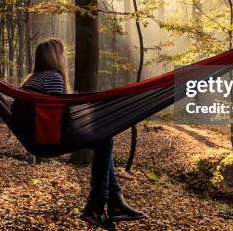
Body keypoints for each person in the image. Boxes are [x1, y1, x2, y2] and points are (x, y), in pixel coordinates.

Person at [22, 38, 145, 230]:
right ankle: (98, 205)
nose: (64, 57)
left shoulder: (31, 79)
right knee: (105, 139)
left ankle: (115, 202)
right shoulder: (53, 77)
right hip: (51, 136)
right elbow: (58, 114)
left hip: (39, 137)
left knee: (103, 140)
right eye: (61, 53)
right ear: (55, 57)